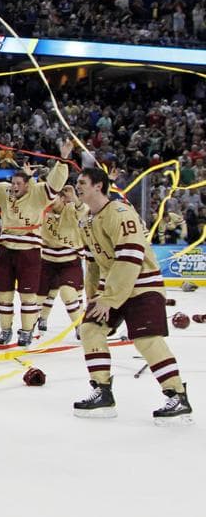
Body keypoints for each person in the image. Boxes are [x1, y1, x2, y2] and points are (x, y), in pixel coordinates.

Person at [73, 167, 192, 424]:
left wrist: (110, 298)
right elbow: (92, 264)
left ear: (99, 186)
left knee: (146, 338)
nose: (77, 186)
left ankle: (178, 396)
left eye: (83, 182)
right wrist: (93, 297)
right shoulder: (85, 220)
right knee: (91, 329)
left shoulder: (121, 213)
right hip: (111, 290)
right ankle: (102, 392)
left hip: (142, 286)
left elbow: (130, 257)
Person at [0, 140, 72, 346]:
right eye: (12, 183)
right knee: (4, 294)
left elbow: (56, 183)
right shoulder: (4, 192)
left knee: (28, 295)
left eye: (18, 184)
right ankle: (5, 330)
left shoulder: (39, 193)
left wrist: (63, 159)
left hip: (29, 251)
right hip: (7, 249)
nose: (13, 187)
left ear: (27, 185)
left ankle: (26, 330)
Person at [37, 185, 87, 333]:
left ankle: (80, 327)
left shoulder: (72, 209)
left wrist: (75, 198)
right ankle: (40, 320)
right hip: (47, 260)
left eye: (55, 197)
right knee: (42, 295)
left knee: (68, 293)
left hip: (70, 260)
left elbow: (83, 211)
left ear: (63, 198)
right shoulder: (43, 212)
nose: (50, 200)